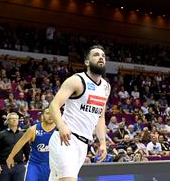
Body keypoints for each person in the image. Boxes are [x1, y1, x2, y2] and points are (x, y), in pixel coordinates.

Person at [48, 45, 110, 181]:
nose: (101, 57)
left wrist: (102, 142)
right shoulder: (77, 80)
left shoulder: (106, 86)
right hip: (66, 140)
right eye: (96, 55)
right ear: (87, 62)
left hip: (83, 144)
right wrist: (62, 126)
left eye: (103, 56)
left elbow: (100, 116)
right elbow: (54, 105)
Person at [6, 107, 56, 181]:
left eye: (52, 113)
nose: (50, 116)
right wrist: (11, 156)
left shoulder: (60, 129)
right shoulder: (33, 129)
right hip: (35, 165)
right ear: (42, 115)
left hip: (53, 165)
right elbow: (20, 143)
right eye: (47, 113)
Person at [0, 112, 29, 181]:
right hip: (4, 166)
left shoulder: (23, 135)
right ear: (7, 121)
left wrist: (27, 163)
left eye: (16, 119)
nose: (14, 120)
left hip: (19, 166)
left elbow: (27, 150)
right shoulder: (0, 135)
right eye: (12, 118)